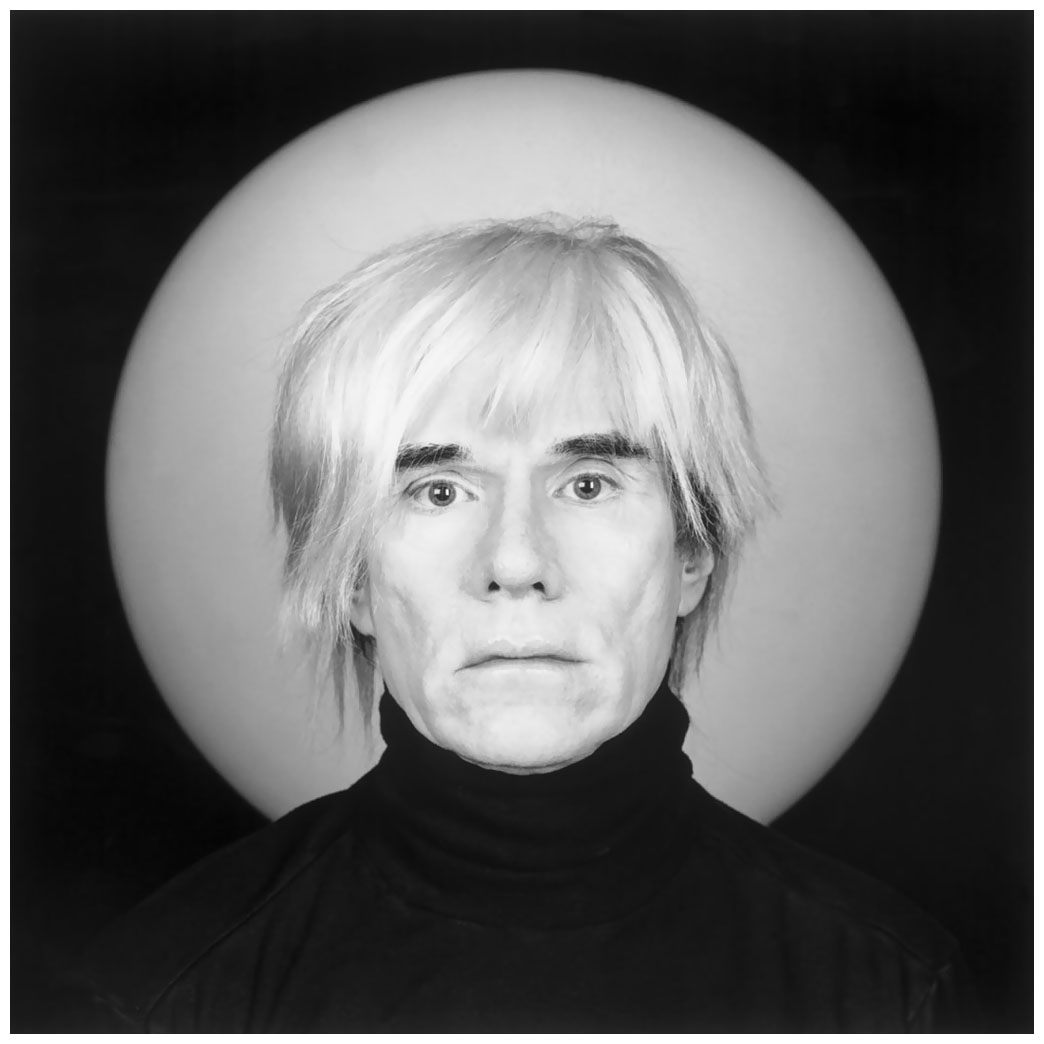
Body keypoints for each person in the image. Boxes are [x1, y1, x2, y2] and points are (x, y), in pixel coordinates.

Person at [85, 216, 974, 1030]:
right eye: (438, 491)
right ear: (350, 579)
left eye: (588, 484)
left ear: (690, 556)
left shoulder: (893, 992)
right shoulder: (163, 994)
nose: (515, 562)